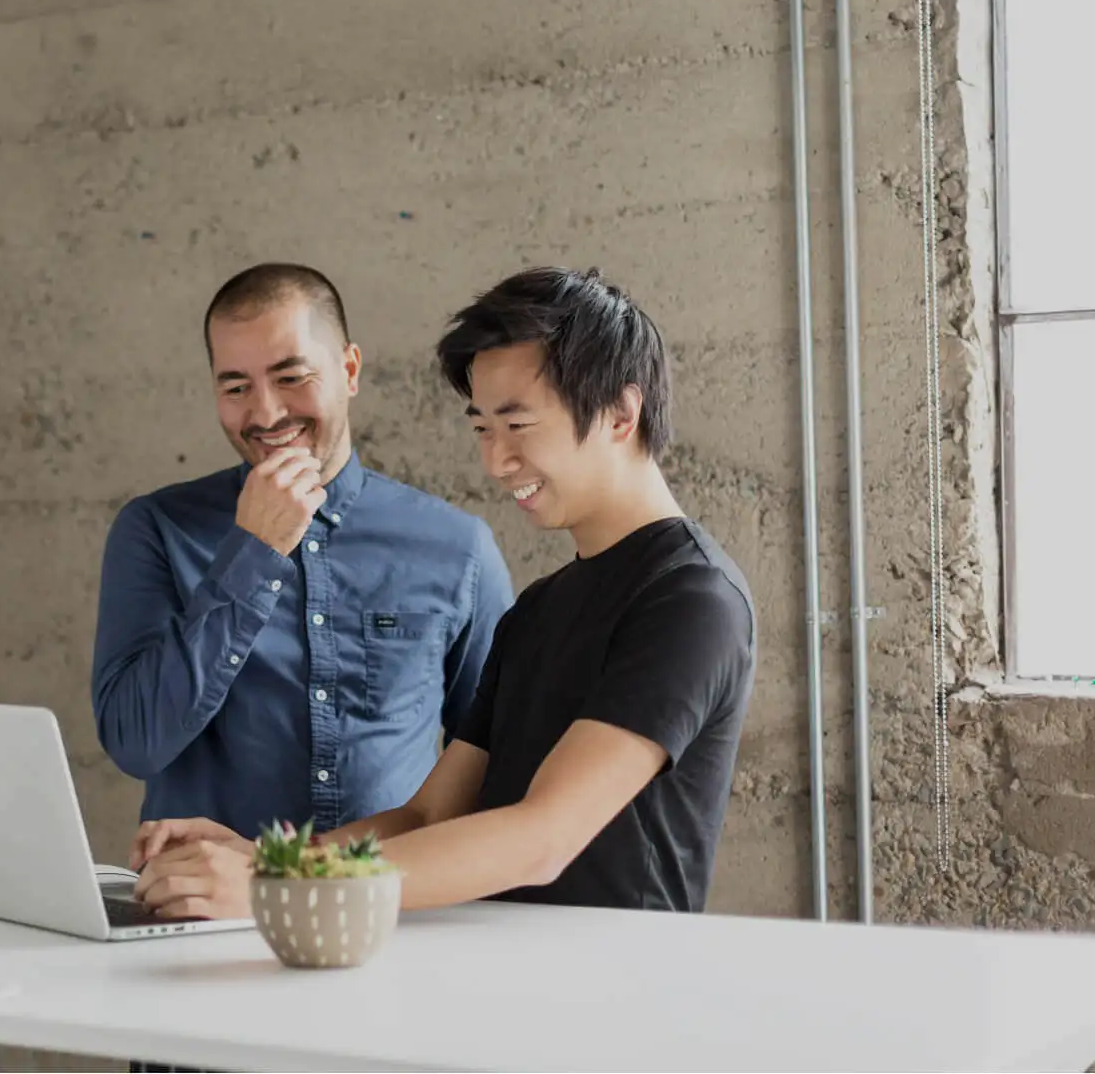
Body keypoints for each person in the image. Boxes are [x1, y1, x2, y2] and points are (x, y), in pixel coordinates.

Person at [131, 265, 756, 918]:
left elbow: (542, 838)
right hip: (493, 970)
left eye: (518, 425)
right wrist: (265, 859)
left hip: (619, 978)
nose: (495, 461)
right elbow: (430, 814)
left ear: (621, 414)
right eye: (483, 429)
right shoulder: (537, 609)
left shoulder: (691, 601)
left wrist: (273, 886)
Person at [91, 262, 515, 853]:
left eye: (291, 377)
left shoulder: (458, 548)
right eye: (236, 387)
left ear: (349, 370)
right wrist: (254, 552)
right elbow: (135, 743)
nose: (265, 415)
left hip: (388, 902)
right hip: (197, 902)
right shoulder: (157, 531)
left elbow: (500, 769)